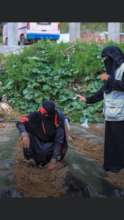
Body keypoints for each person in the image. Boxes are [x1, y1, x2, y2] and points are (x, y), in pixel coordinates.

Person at [78, 45, 124, 173]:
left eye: (105, 58)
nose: (104, 62)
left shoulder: (123, 68)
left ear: (112, 57)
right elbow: (103, 91)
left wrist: (110, 80)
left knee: (120, 140)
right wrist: (88, 99)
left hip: (121, 113)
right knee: (111, 141)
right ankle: (113, 166)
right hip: (111, 113)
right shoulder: (111, 71)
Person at [16, 100, 69, 171]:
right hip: (38, 139)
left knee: (43, 154)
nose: (40, 111)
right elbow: (20, 121)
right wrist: (24, 133)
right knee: (26, 135)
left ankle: (48, 159)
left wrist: (53, 160)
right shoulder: (37, 114)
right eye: (41, 110)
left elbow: (58, 142)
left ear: (48, 114)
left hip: (50, 142)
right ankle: (30, 158)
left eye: (44, 113)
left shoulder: (58, 120)